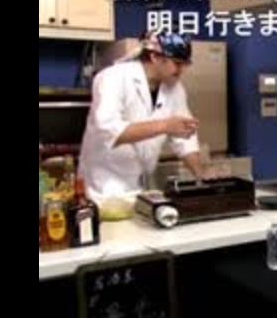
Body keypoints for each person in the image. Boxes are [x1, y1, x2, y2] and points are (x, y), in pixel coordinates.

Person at [78, 30, 210, 202]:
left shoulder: (174, 88)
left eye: (186, 64)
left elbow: (184, 139)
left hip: (139, 184)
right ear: (155, 57)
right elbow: (109, 131)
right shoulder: (113, 78)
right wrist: (165, 126)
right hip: (102, 186)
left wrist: (201, 176)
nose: (182, 70)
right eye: (177, 63)